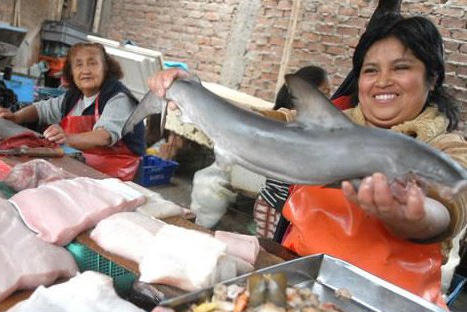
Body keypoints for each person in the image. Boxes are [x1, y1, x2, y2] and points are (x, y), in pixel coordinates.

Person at [147, 13, 467, 307]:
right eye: (371, 70)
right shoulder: (318, 125)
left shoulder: (446, 146)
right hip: (295, 277)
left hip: (389, 302)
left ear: (432, 77)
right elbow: (258, 121)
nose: (383, 80)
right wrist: (192, 92)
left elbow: (454, 204)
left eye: (401, 67)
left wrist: (418, 217)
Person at [0, 42, 145, 181]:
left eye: (93, 63)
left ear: (105, 68)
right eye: (78, 64)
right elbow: (42, 109)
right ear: (72, 72)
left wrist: (66, 138)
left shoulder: (118, 98)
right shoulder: (74, 96)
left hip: (119, 180)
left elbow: (104, 136)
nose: (85, 70)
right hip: (85, 170)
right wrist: (16, 117)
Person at [253, 65, 334, 240]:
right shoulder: (291, 121)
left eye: (329, 93)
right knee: (270, 258)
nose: (329, 99)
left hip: (288, 210)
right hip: (273, 207)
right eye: (324, 92)